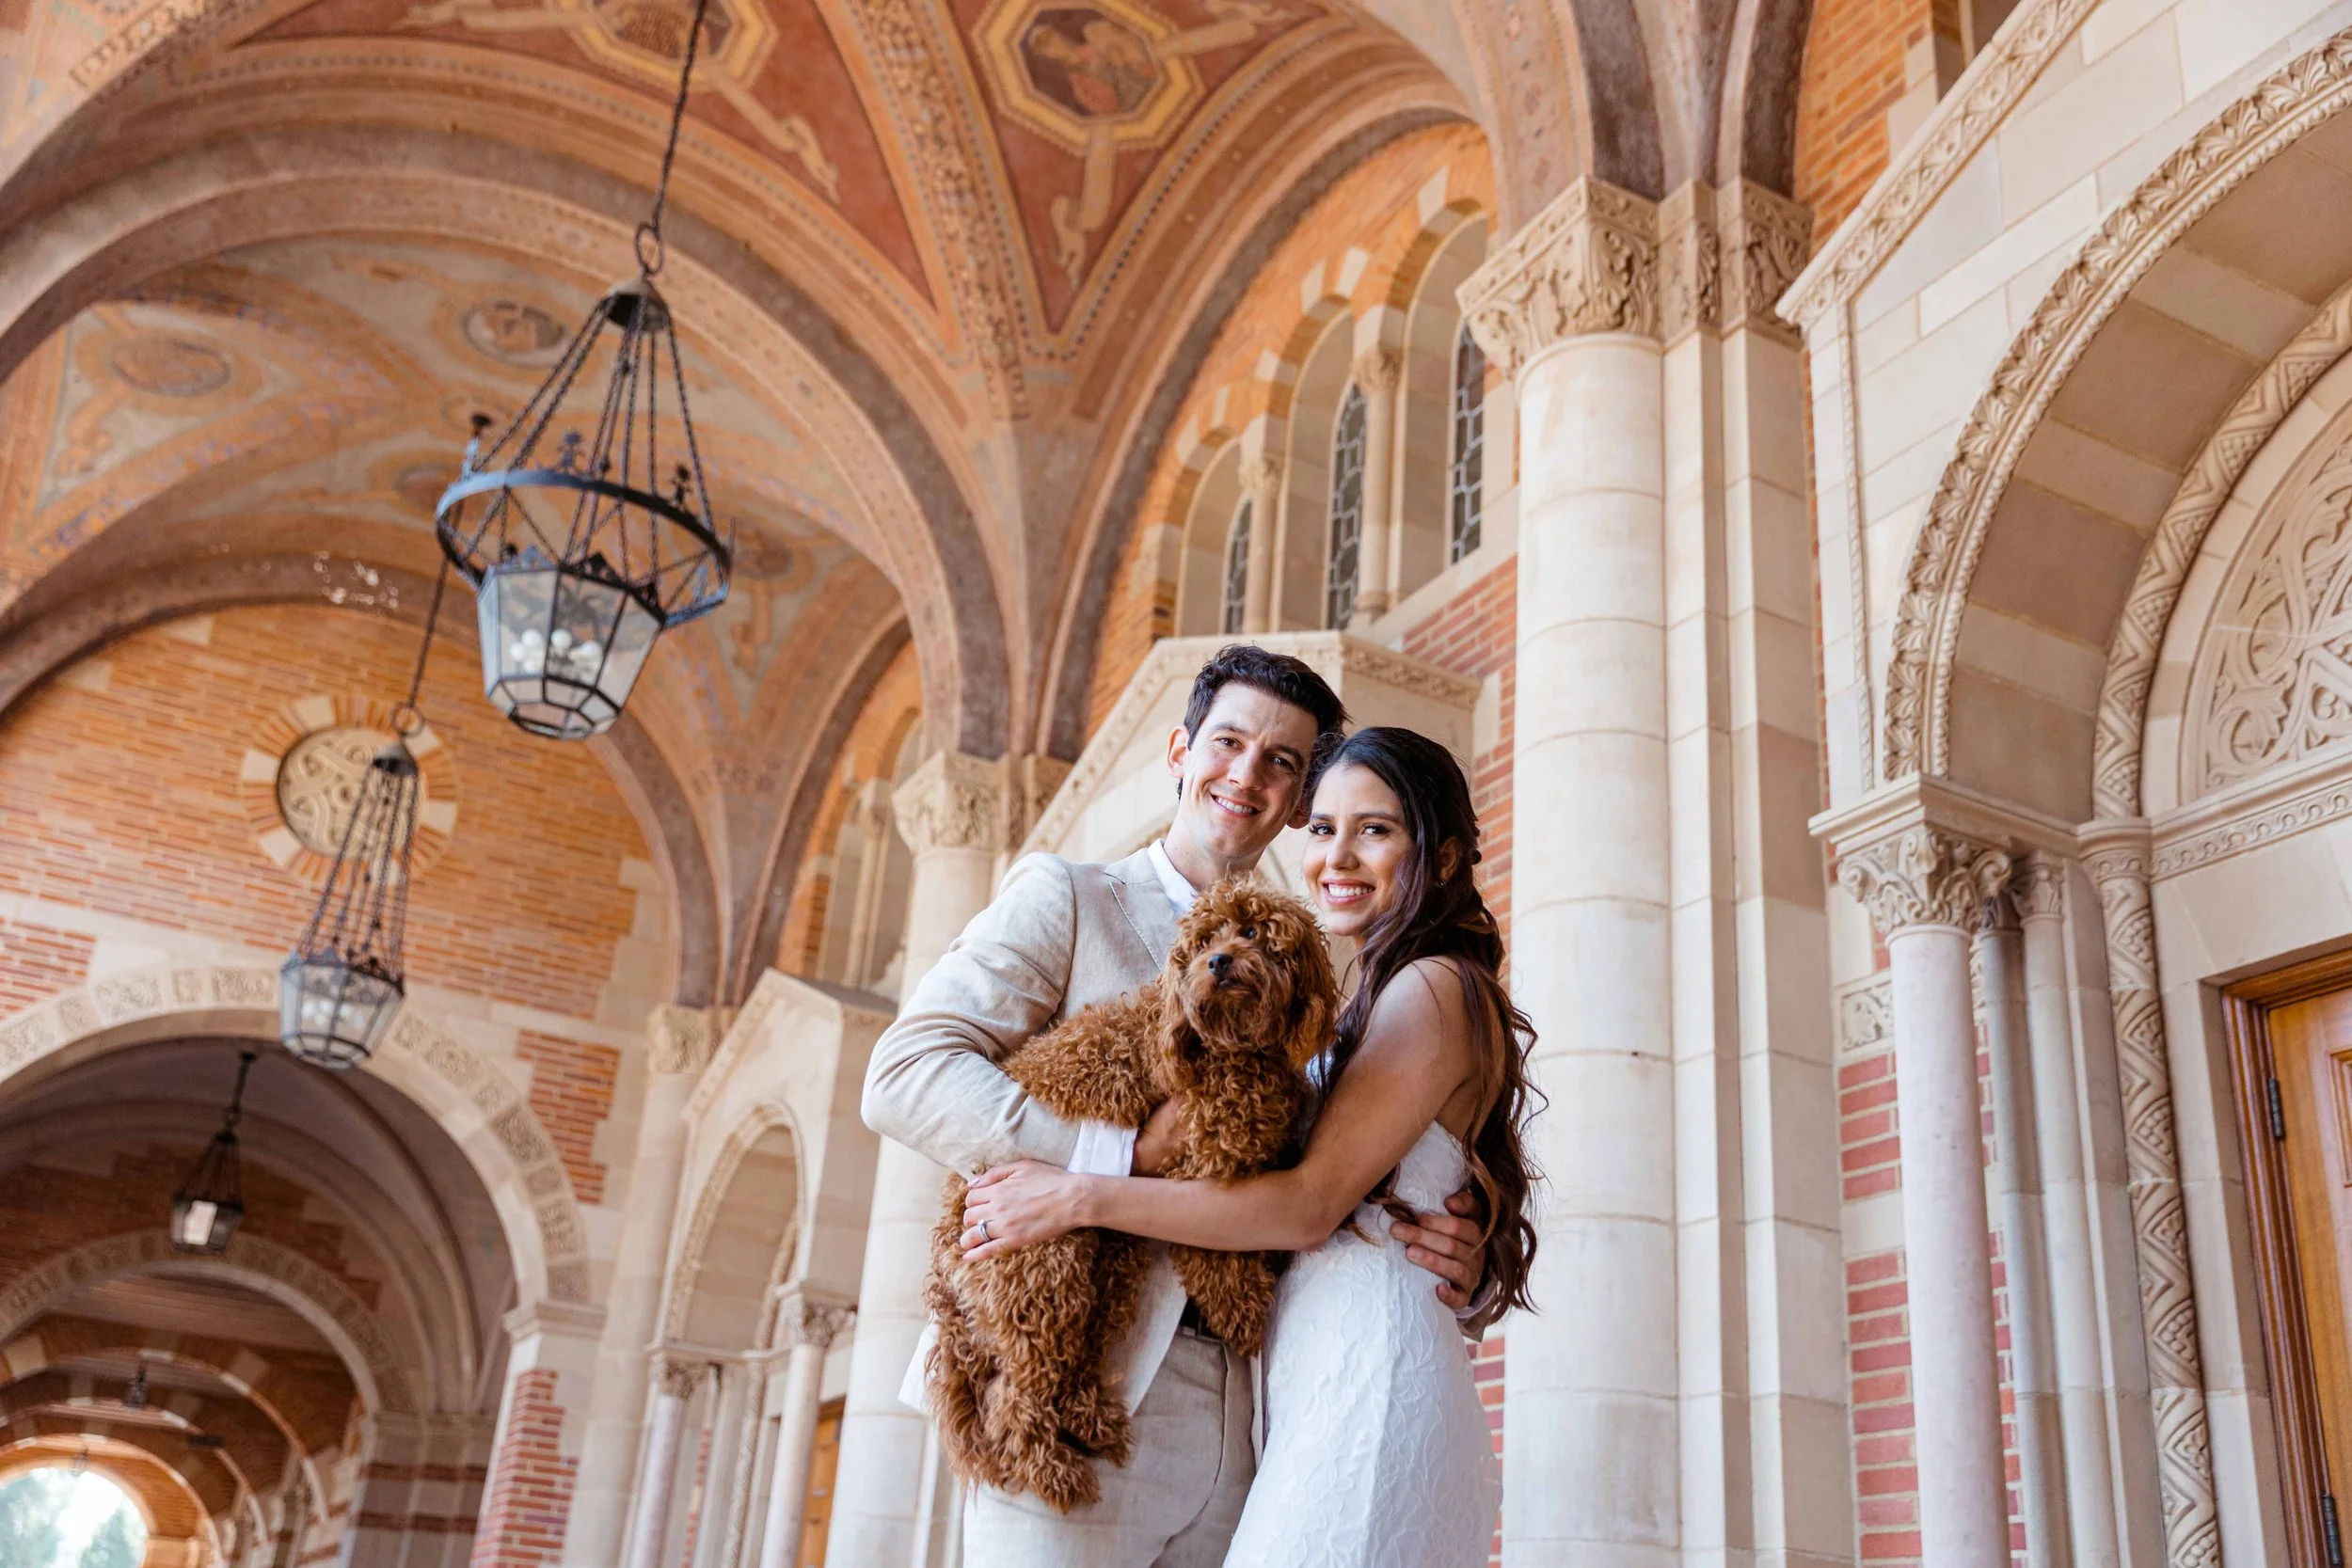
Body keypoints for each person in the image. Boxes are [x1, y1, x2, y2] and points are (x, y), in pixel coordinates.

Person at [862, 650, 1493, 1568]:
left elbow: (1336, 1176)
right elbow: (905, 1072)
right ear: (1179, 750)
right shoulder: (1071, 897)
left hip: (1252, 1416)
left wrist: (1452, 1252)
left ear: (1296, 795)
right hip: (1075, 1389)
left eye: (1282, 760)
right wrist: (1109, 1155)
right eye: (1228, 742)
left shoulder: (1323, 965)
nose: (1247, 773)